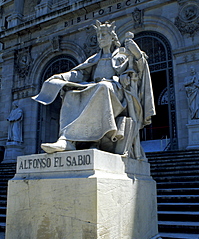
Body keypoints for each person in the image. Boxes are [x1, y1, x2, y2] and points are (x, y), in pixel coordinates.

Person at [32, 20, 155, 159]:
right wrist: (61, 77)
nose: (100, 39)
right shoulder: (95, 58)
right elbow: (80, 73)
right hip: (96, 89)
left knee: (103, 87)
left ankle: (93, 139)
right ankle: (67, 140)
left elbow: (140, 70)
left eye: (103, 35)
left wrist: (137, 54)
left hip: (117, 93)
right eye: (99, 36)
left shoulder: (122, 56)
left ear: (112, 37)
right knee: (70, 94)